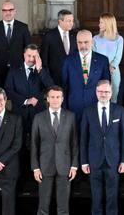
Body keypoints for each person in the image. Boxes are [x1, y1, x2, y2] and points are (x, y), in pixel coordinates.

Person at [80, 80, 124, 215]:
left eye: (106, 92)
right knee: (96, 197)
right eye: (101, 91)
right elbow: (83, 139)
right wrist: (83, 161)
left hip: (114, 160)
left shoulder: (119, 110)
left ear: (111, 93)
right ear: (96, 92)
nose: (103, 94)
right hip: (94, 160)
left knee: (112, 197)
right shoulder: (88, 111)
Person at [31, 86, 79, 215]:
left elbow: (74, 143)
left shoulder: (70, 116)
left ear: (62, 99)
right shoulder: (39, 117)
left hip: (65, 166)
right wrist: (35, 168)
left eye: (58, 97)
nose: (55, 100)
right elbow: (34, 144)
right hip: (44, 167)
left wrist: (74, 166)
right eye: (52, 97)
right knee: (43, 208)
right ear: (47, 98)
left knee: (63, 208)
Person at [63, 29, 110, 115]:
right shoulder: (68, 61)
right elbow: (64, 86)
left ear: (92, 42)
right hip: (74, 108)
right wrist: (65, 110)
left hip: (95, 107)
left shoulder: (103, 60)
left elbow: (106, 86)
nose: (83, 45)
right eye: (79, 42)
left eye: (86, 42)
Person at [6, 44, 53, 129]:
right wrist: (26, 101)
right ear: (24, 55)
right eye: (29, 56)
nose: (31, 59)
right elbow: (8, 91)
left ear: (38, 57)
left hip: (38, 113)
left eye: (34, 56)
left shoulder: (43, 70)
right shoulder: (14, 70)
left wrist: (40, 70)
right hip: (19, 113)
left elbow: (51, 87)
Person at [0, 0, 31, 83]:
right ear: (1, 12)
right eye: (5, 10)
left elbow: (28, 49)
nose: (8, 13)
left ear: (15, 11)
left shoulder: (23, 28)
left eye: (10, 10)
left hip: (18, 69)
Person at [42, 9, 78, 85]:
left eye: (72, 20)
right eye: (69, 21)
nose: (72, 23)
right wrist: (48, 79)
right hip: (54, 79)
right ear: (60, 21)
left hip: (72, 78)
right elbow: (44, 59)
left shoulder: (75, 35)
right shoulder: (49, 36)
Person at [93, 13, 124, 98]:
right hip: (99, 70)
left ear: (108, 23)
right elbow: (94, 55)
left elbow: (118, 56)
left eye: (101, 22)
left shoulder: (119, 39)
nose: (99, 24)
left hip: (113, 71)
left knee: (115, 94)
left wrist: (112, 66)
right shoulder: (95, 39)